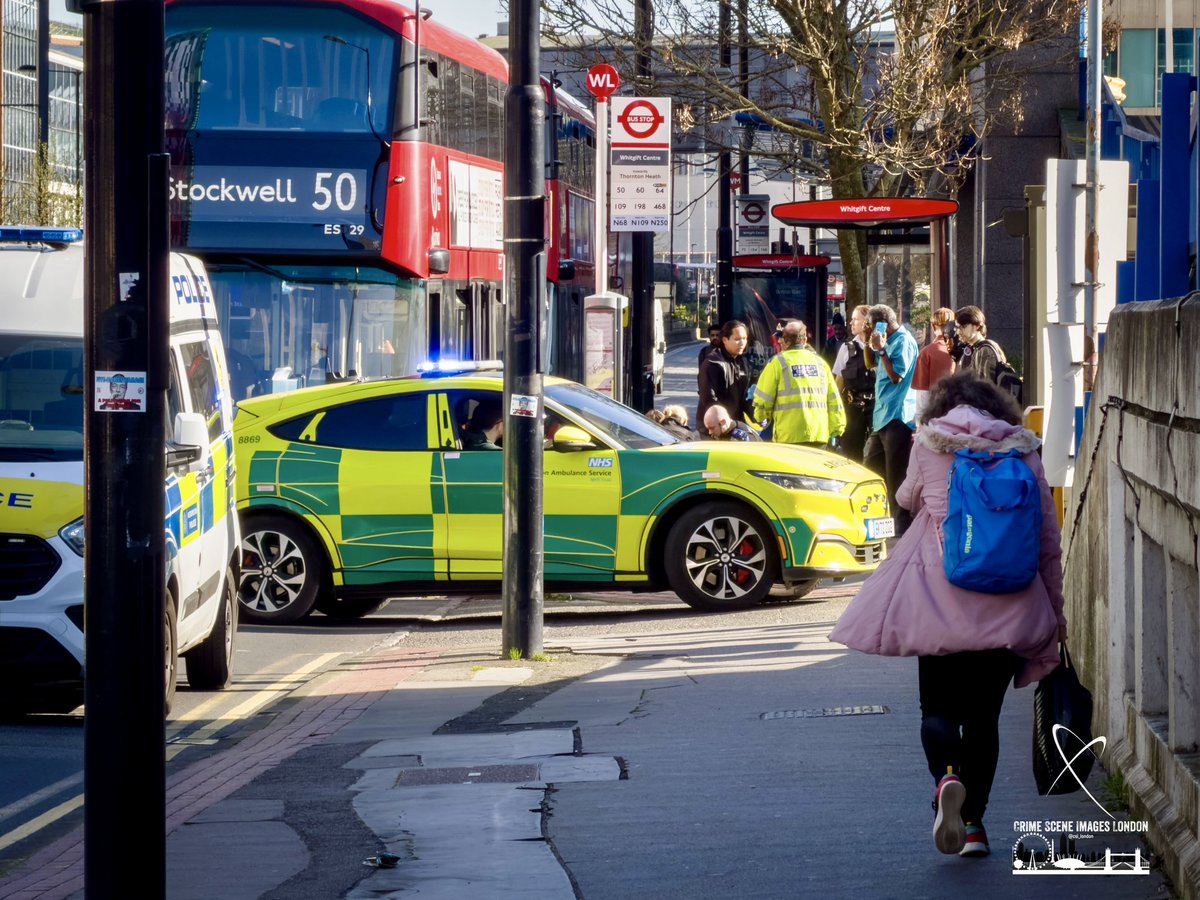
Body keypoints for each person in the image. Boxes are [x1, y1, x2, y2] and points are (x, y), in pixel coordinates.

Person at [829, 373, 1066, 860]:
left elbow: (906, 498)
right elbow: (1048, 540)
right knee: (985, 720)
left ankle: (947, 778)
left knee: (936, 710)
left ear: (942, 406)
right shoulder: (1024, 450)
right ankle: (974, 825)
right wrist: (1056, 618)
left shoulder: (929, 443)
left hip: (937, 603)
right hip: (1011, 602)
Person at [863, 304, 918, 533]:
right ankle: (881, 516)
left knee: (895, 474)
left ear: (882, 322)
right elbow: (871, 363)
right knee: (871, 467)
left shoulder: (903, 340)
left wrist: (883, 350)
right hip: (882, 416)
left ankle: (900, 524)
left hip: (898, 416)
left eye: (870, 324)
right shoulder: (884, 339)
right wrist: (870, 341)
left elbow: (896, 376)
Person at [752, 320, 845, 447]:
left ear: (784, 341)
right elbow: (834, 400)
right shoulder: (820, 363)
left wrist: (761, 418)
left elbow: (763, 400)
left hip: (789, 437)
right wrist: (836, 430)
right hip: (818, 435)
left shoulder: (777, 363)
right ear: (805, 339)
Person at [832, 305, 875, 463]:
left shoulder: (881, 347)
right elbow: (838, 383)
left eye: (856, 319)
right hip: (853, 408)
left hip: (876, 409)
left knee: (875, 456)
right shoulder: (846, 348)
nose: (851, 323)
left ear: (867, 322)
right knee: (850, 455)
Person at [697, 319, 752, 430]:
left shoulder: (743, 362)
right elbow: (709, 399)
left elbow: (744, 397)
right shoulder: (713, 362)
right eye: (737, 339)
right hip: (714, 427)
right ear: (725, 340)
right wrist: (722, 423)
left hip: (734, 424)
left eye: (744, 338)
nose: (742, 343)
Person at [912, 307, 957, 422]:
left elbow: (923, 394)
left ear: (932, 326)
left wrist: (920, 422)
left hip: (936, 416)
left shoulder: (927, 353)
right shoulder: (965, 350)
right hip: (962, 413)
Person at [954, 305, 1007, 385]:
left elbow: (985, 388)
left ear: (977, 325)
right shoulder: (971, 348)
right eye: (957, 327)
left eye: (963, 326)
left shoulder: (985, 350)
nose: (958, 332)